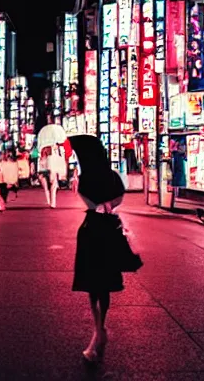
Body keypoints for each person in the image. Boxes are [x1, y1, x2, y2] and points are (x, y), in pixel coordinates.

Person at [69, 134, 138, 366]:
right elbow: (117, 197)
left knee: (92, 283)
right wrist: (110, 205)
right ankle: (100, 330)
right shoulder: (112, 176)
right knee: (104, 282)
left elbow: (88, 202)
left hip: (91, 231)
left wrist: (97, 203)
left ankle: (98, 330)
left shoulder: (85, 177)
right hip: (108, 230)